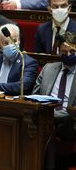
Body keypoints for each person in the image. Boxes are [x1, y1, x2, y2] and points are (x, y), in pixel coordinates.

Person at [33, 31, 76, 170]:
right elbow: (34, 96)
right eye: (64, 51)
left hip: (71, 121)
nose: (68, 55)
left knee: (52, 124)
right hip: (47, 116)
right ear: (58, 51)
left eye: (72, 51)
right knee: (47, 126)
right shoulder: (48, 69)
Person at [0, 24, 38, 95]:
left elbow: (23, 86)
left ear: (19, 40)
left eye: (14, 41)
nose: (10, 45)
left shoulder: (28, 62)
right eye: (6, 43)